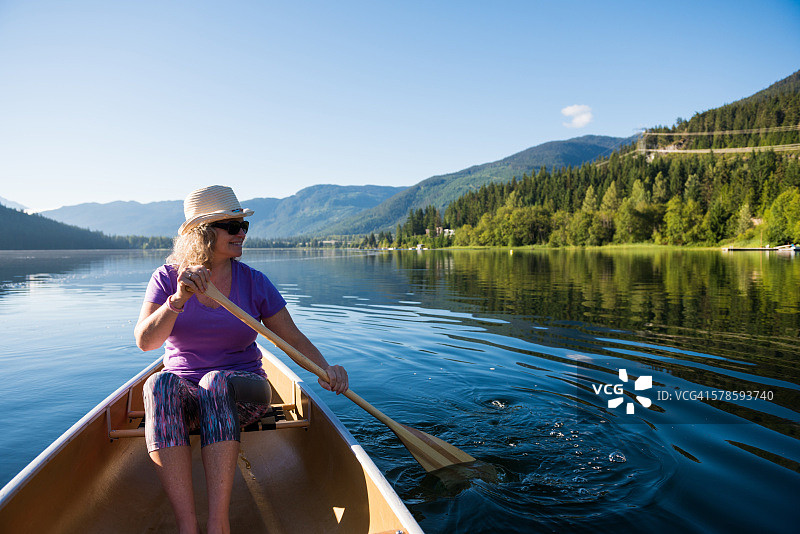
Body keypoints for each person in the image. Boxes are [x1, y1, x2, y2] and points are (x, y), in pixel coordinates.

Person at [134, 185, 348, 534]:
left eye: (244, 226)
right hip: (187, 397)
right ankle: (188, 526)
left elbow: (291, 338)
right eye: (232, 226)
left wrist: (327, 370)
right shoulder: (166, 278)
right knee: (158, 383)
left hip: (243, 393)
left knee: (215, 382)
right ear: (203, 233)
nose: (242, 233)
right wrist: (177, 299)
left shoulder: (255, 283)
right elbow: (146, 343)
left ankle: (219, 525)